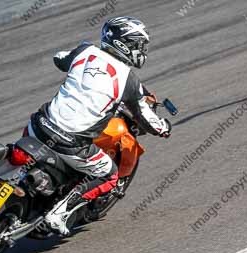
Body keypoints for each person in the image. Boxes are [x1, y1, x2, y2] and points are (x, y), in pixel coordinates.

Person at [27, 16, 172, 235]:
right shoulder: (128, 80)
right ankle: (59, 212)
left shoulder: (85, 51)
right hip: (71, 143)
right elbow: (145, 117)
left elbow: (59, 58)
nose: (142, 50)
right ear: (126, 44)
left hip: (38, 125)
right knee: (109, 175)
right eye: (140, 45)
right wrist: (163, 127)